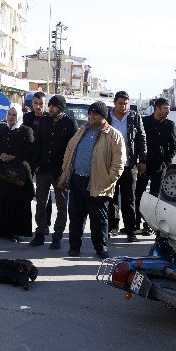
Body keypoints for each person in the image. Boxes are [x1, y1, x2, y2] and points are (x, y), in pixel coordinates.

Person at [59, 101, 126, 258]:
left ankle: (100, 248)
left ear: (103, 116)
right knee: (76, 217)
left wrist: (109, 179)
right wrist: (66, 170)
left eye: (95, 114)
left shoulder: (113, 135)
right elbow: (69, 150)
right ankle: (74, 247)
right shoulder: (82, 131)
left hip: (98, 183)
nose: (91, 116)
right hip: (77, 180)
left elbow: (119, 162)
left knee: (98, 219)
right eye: (90, 113)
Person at [29, 94, 78, 249]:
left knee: (62, 206)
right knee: (41, 203)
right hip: (43, 170)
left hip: (60, 172)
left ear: (61, 108)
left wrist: (67, 171)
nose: (50, 109)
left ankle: (57, 236)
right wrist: (35, 165)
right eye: (49, 106)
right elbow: (37, 144)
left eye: (54, 106)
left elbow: (73, 150)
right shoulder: (44, 121)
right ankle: (40, 233)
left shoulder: (70, 124)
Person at [0, 103, 34, 242]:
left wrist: (13, 156)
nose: (11, 117)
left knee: (16, 202)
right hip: (2, 171)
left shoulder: (26, 131)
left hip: (19, 172)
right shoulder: (1, 130)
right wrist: (1, 154)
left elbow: (29, 150)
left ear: (19, 116)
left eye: (14, 115)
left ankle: (15, 232)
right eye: (9, 114)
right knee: (0, 200)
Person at [107, 90, 147, 242]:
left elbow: (141, 139)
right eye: (120, 103)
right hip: (110, 164)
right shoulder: (107, 117)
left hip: (129, 165)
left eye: (126, 103)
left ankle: (130, 230)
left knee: (129, 199)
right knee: (111, 197)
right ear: (114, 103)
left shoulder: (134, 117)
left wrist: (142, 159)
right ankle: (112, 227)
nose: (123, 106)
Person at [134, 98, 176, 235]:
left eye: (168, 107)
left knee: (154, 197)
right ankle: (136, 223)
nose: (167, 110)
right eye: (165, 107)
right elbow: (138, 142)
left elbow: (173, 145)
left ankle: (149, 225)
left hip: (159, 165)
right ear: (157, 108)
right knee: (138, 194)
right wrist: (140, 160)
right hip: (144, 164)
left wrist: (167, 161)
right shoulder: (144, 122)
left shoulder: (170, 125)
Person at [22, 91, 53, 235]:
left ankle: (45, 223)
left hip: (44, 162)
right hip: (29, 159)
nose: (38, 106)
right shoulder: (27, 117)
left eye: (41, 103)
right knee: (27, 192)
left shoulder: (50, 118)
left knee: (45, 195)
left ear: (45, 104)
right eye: (36, 103)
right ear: (32, 104)